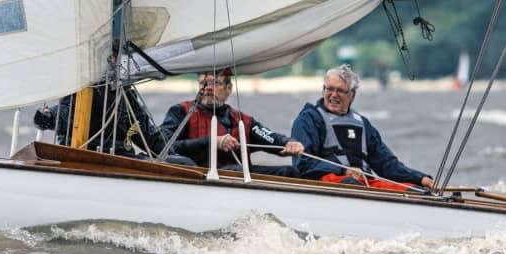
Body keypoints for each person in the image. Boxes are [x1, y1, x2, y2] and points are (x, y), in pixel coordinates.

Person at [290, 65, 434, 191]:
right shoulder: (308, 119)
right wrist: (342, 170)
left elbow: (386, 164)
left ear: (352, 95)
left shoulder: (362, 124)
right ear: (323, 90)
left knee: (416, 190)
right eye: (330, 89)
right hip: (328, 181)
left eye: (340, 91)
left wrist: (421, 179)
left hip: (364, 182)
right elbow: (303, 164)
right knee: (352, 184)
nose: (333, 95)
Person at [160, 70, 304, 177]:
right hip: (195, 177)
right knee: (238, 171)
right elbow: (162, 147)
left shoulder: (244, 122)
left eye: (215, 83)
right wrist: (211, 142)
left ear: (229, 89)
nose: (208, 87)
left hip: (238, 178)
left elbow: (271, 139)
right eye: (204, 83)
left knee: (291, 172)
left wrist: (290, 143)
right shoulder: (181, 112)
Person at [34, 84, 194, 165]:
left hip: (121, 159)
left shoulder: (123, 94)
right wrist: (48, 117)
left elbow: (146, 134)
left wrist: (172, 157)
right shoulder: (82, 89)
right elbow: (66, 113)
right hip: (82, 158)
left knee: (185, 163)